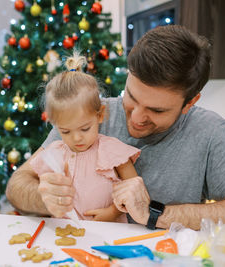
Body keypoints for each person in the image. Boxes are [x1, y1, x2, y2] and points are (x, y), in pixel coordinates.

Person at [6, 25, 225, 230]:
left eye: (157, 110)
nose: (137, 118)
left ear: (190, 103)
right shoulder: (87, 114)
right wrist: (43, 198)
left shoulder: (210, 132)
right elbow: (17, 185)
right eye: (131, 97)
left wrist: (157, 213)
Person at [29, 53, 141, 222]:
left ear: (100, 115)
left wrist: (113, 211)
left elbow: (134, 189)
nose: (76, 138)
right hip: (65, 231)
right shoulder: (54, 153)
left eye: (85, 128)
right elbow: (40, 188)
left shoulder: (110, 150)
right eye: (65, 131)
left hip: (108, 232)